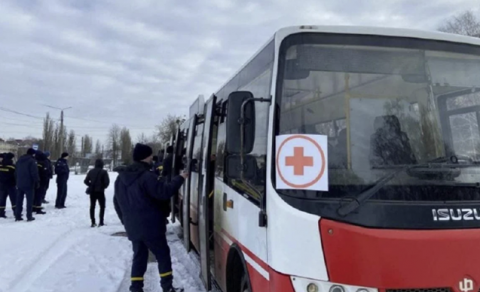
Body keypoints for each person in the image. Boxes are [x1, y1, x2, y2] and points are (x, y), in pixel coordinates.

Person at [114, 143, 187, 292]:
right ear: (145, 157)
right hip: (151, 226)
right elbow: (164, 192)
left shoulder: (120, 179)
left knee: (139, 257)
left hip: (133, 226)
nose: (152, 158)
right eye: (150, 155)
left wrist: (126, 221)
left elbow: (117, 203)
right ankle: (167, 287)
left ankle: (136, 288)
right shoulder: (147, 177)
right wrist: (180, 178)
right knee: (163, 255)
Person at [84, 159, 110, 227]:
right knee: (102, 206)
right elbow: (107, 182)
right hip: (100, 191)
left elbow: (86, 181)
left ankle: (93, 222)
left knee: (92, 206)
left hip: (92, 191)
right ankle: (101, 222)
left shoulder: (91, 171)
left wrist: (91, 185)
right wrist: (103, 187)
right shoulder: (104, 172)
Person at [15, 148, 39, 222]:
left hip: (19, 183)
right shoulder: (32, 161)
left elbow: (15, 172)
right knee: (29, 201)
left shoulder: (19, 160)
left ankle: (17, 215)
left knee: (19, 200)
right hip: (29, 184)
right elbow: (34, 173)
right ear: (33, 154)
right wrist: (37, 181)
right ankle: (29, 216)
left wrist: (17, 181)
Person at [0, 153, 17, 218]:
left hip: (1, 185)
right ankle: (16, 212)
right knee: (14, 199)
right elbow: (15, 176)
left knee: (2, 199)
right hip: (11, 185)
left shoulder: (1, 165)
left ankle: (1, 213)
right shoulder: (13, 166)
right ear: (11, 158)